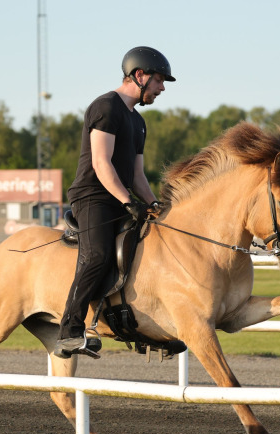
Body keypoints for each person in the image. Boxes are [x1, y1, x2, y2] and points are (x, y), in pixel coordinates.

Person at [54, 46, 176, 359]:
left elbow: (137, 174)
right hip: (93, 196)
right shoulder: (106, 107)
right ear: (140, 75)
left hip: (120, 197)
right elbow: (101, 162)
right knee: (98, 255)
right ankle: (69, 331)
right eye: (159, 81)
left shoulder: (138, 122)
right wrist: (127, 201)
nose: (162, 88)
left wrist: (152, 204)